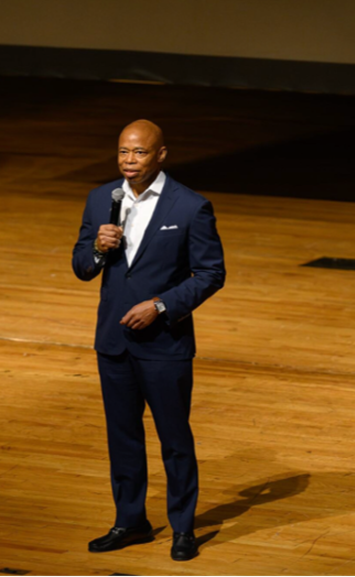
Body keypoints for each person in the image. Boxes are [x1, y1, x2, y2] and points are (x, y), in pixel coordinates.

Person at [71, 120, 225, 561]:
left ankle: (182, 528)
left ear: (160, 155)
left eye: (138, 153)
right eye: (123, 152)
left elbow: (212, 274)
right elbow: (82, 266)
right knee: (122, 437)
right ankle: (130, 520)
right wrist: (99, 248)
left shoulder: (191, 207)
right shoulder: (102, 199)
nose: (128, 161)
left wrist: (160, 305)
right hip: (113, 342)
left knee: (174, 439)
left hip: (165, 346)